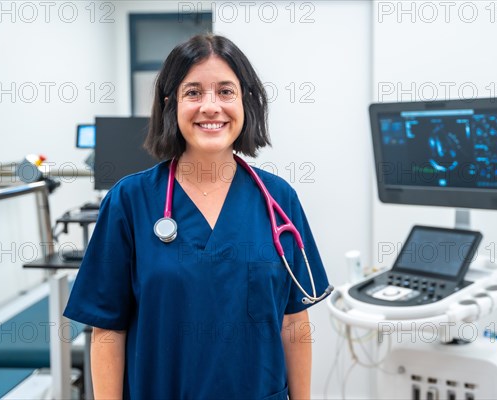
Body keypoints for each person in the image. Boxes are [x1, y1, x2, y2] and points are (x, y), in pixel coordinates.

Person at [64, 34, 330, 400]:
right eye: (193, 92)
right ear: (170, 104)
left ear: (246, 102)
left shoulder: (279, 199)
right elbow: (108, 329)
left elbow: (294, 321)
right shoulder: (129, 201)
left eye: (225, 91)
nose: (210, 106)